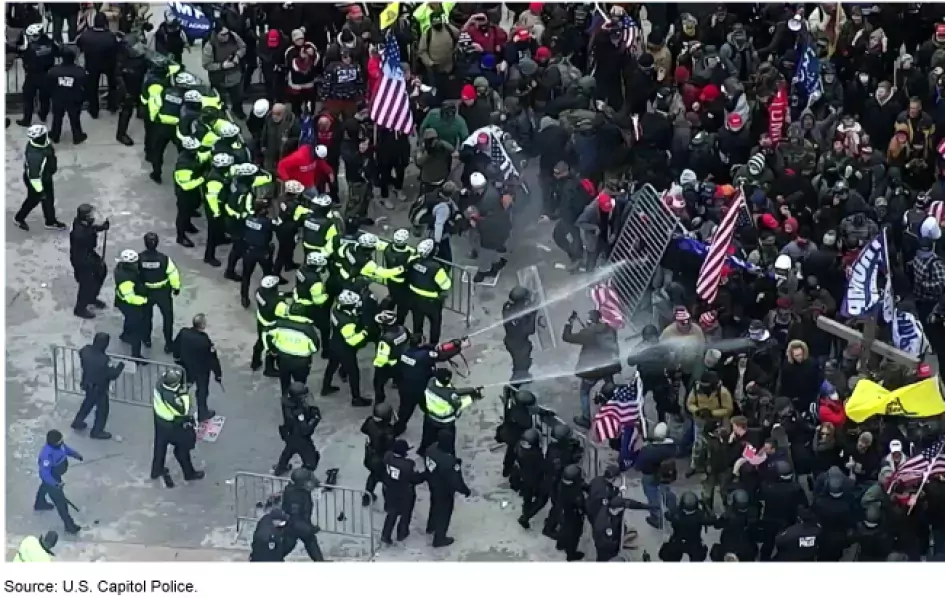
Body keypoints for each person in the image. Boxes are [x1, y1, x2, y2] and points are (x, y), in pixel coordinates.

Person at [394, 334, 467, 437]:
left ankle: (397, 429)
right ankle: (435, 429)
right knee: (430, 409)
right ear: (420, 343)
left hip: (405, 386)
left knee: (404, 410)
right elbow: (442, 356)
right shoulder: (424, 355)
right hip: (421, 388)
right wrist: (459, 348)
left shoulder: (404, 351)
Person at [150, 370, 204, 488]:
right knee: (182, 450)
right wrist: (185, 394)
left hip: (160, 420)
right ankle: (189, 473)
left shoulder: (159, 385)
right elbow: (183, 410)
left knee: (160, 446)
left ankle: (156, 470)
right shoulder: (174, 398)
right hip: (174, 425)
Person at [321, 289, 372, 407]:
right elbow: (353, 341)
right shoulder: (347, 323)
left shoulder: (335, 310)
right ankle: (356, 398)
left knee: (331, 366)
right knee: (354, 373)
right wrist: (365, 332)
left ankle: (326, 387)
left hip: (334, 343)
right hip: (345, 349)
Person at [71, 332, 125, 439]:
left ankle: (78, 421)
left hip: (87, 383)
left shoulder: (86, 350)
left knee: (87, 404)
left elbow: (82, 354)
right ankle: (97, 431)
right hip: (99, 388)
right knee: (102, 410)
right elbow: (112, 375)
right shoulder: (103, 360)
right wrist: (120, 366)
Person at [425, 429, 473, 548]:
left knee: (434, 505)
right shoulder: (449, 462)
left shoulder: (431, 449)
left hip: (433, 483)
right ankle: (439, 539)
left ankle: (431, 526)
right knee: (444, 513)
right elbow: (455, 480)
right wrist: (465, 490)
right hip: (444, 490)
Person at [148, 71, 198, 183]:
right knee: (183, 153)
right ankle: (183, 174)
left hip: (162, 126)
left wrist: (155, 118)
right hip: (178, 128)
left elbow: (156, 105)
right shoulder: (188, 97)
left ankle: (156, 174)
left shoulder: (165, 91)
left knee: (158, 151)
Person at [419, 368, 483, 456]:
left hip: (430, 417)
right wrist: (472, 397)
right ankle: (450, 458)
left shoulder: (431, 383)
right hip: (445, 422)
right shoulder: (450, 395)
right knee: (448, 443)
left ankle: (423, 452)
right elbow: (460, 404)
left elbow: (453, 391)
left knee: (427, 438)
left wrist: (470, 390)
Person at [172, 314, 223, 422]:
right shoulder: (205, 341)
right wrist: (218, 374)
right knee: (202, 391)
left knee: (184, 387)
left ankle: (176, 407)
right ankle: (202, 412)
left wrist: (177, 358)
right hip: (201, 371)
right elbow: (212, 359)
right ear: (203, 326)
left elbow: (175, 345)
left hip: (186, 367)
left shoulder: (184, 332)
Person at [15, 124, 66, 231]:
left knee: (48, 200)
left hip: (45, 177)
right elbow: (34, 176)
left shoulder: (43, 144)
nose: (46, 135)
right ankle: (19, 218)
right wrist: (40, 191)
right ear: (39, 137)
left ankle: (50, 221)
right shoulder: (35, 156)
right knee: (33, 200)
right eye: (44, 134)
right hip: (37, 182)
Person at [758, 460, 809, 561]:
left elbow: (760, 497)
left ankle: (764, 560)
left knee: (768, 543)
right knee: (787, 543)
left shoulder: (767, 487)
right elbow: (804, 504)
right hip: (788, 520)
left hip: (770, 519)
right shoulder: (796, 488)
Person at [265, 301, 319, 396]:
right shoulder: (308, 329)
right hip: (301, 363)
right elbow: (315, 348)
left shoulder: (280, 324)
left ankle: (286, 400)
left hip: (283, 360)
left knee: (284, 382)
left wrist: (271, 349)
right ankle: (299, 402)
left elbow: (267, 334)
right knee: (299, 385)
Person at [139, 233, 181, 354]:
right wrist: (176, 287)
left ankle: (146, 339)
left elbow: (135, 275)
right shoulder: (164, 259)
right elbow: (173, 273)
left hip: (146, 292)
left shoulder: (139, 258)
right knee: (168, 318)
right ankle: (168, 343)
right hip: (163, 292)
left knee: (146, 317)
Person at [405, 238, 452, 344]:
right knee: (435, 324)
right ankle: (432, 346)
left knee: (417, 322)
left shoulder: (412, 261)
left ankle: (416, 342)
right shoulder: (436, 268)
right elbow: (446, 285)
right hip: (432, 302)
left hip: (414, 299)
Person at [35, 429, 82, 534]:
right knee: (61, 502)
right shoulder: (46, 455)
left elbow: (65, 449)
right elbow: (45, 474)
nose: (62, 442)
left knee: (44, 486)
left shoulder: (59, 444)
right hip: (52, 478)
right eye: (59, 441)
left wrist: (75, 454)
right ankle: (69, 525)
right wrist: (55, 484)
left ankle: (40, 503)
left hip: (55, 474)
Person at [381, 439, 427, 545]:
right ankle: (402, 533)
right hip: (404, 493)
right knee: (406, 513)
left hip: (389, 489)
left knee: (392, 513)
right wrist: (424, 475)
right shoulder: (408, 465)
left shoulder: (387, 456)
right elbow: (414, 479)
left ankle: (386, 535)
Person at [69, 203, 109, 319]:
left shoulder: (80, 223)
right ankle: (80, 308)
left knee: (101, 272)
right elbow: (90, 234)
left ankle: (92, 297)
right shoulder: (81, 234)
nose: (93, 216)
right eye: (91, 215)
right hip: (82, 259)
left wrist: (102, 227)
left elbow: (91, 228)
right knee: (86, 284)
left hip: (88, 254)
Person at [273, 382, 322, 477]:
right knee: (311, 462)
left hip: (289, 434)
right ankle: (302, 477)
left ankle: (281, 467)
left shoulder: (287, 403)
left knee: (288, 451)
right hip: (301, 439)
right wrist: (315, 419)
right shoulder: (298, 412)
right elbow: (306, 430)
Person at [75, 12, 118, 119]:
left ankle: (94, 111)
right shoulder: (110, 36)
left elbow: (78, 44)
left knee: (92, 88)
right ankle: (112, 106)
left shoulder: (86, 35)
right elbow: (116, 49)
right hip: (109, 65)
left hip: (92, 65)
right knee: (112, 85)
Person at [17, 23, 60, 127]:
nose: (30, 38)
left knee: (28, 98)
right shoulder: (50, 43)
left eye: (32, 36)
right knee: (45, 97)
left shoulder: (30, 47)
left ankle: (27, 120)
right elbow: (57, 51)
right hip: (47, 74)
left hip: (33, 75)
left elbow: (24, 56)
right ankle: (43, 115)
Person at [202, 23, 248, 119]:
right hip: (220, 78)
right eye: (223, 34)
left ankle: (237, 110)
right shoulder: (210, 45)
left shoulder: (234, 37)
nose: (226, 36)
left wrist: (238, 55)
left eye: (227, 33)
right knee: (220, 101)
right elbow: (206, 65)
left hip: (236, 75)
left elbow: (243, 47)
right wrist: (222, 66)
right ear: (217, 34)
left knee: (238, 97)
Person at [279, 468, 325, 561]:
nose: (311, 483)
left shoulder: (301, 491)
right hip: (293, 527)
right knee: (288, 544)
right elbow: (295, 519)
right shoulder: (294, 497)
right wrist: (310, 529)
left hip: (301, 525)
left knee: (310, 542)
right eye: (308, 481)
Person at [46, 47, 87, 144]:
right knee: (75, 118)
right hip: (74, 98)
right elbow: (85, 85)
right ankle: (77, 136)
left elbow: (48, 85)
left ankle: (55, 135)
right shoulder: (79, 71)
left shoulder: (54, 71)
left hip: (58, 98)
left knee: (57, 117)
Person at [293, 251, 331, 354]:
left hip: (298, 301)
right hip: (311, 307)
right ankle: (326, 350)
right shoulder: (315, 281)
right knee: (325, 328)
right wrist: (326, 296)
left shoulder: (301, 269)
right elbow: (318, 300)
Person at [251, 275, 289, 376]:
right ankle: (269, 369)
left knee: (260, 341)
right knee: (272, 347)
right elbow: (287, 314)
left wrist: (283, 295)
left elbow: (272, 297)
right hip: (272, 327)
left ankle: (255, 362)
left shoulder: (259, 292)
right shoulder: (278, 304)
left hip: (261, 321)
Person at [113, 250, 148, 358]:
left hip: (121, 302)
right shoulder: (125, 280)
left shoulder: (122, 267)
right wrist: (145, 300)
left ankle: (125, 335)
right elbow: (130, 298)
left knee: (129, 319)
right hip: (130, 305)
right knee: (137, 330)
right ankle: (136, 356)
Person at [658, 492, 711, 562]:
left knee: (668, 554)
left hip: (677, 540)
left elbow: (667, 516)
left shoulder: (675, 513)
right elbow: (712, 521)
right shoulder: (700, 515)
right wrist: (707, 508)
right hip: (694, 542)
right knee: (699, 556)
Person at [173, 137, 206, 248]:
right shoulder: (184, 166)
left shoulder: (192, 157)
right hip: (184, 193)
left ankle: (187, 225)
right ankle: (181, 237)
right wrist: (202, 179)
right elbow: (185, 186)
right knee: (183, 214)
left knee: (195, 203)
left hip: (193, 189)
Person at [498, 386, 536, 480]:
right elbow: (528, 425)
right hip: (515, 438)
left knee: (510, 453)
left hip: (508, 433)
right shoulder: (523, 417)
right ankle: (512, 471)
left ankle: (506, 470)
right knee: (515, 454)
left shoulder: (512, 406)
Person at [361, 403, 395, 506]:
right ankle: (388, 503)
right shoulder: (388, 431)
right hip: (381, 460)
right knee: (387, 481)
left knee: (373, 477)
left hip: (369, 455)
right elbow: (391, 447)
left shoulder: (370, 421)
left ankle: (366, 497)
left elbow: (363, 429)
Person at [502, 286, 537, 384]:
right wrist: (533, 314)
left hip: (511, 341)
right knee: (522, 367)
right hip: (519, 346)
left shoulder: (507, 306)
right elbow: (530, 330)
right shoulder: (517, 317)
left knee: (519, 364)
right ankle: (516, 385)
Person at [552, 464, 587, 561]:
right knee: (574, 536)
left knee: (563, 529)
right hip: (573, 516)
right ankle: (571, 555)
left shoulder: (561, 484)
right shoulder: (576, 495)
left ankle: (560, 544)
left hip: (561, 512)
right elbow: (582, 506)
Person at [372, 310, 409, 404]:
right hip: (400, 362)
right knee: (401, 382)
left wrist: (377, 365)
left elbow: (382, 358)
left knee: (378, 384)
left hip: (388, 365)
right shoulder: (403, 329)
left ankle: (379, 402)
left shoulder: (385, 339)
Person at [382, 229, 416, 323]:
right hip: (403, 284)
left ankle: (386, 320)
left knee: (392, 298)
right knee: (403, 306)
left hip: (390, 280)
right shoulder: (408, 255)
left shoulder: (388, 249)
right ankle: (399, 324)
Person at [515, 428, 545, 528]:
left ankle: (525, 512)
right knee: (541, 500)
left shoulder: (519, 446)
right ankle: (526, 516)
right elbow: (542, 467)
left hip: (524, 476)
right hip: (535, 479)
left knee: (527, 497)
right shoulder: (535, 454)